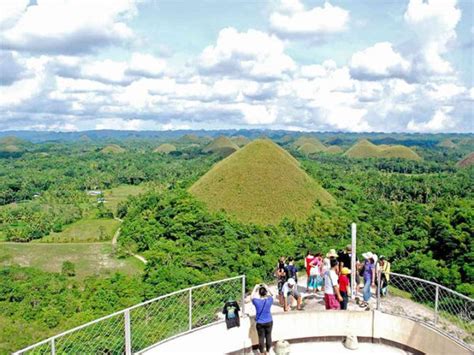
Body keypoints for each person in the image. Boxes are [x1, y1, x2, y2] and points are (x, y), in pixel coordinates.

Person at [251, 283, 274, 355]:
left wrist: (255, 287)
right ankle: (268, 352)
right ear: (266, 293)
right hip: (269, 321)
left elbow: (251, 297)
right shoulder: (269, 300)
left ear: (259, 293)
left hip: (260, 323)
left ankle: (261, 353)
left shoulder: (256, 301)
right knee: (268, 336)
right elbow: (272, 294)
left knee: (261, 338)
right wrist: (266, 287)